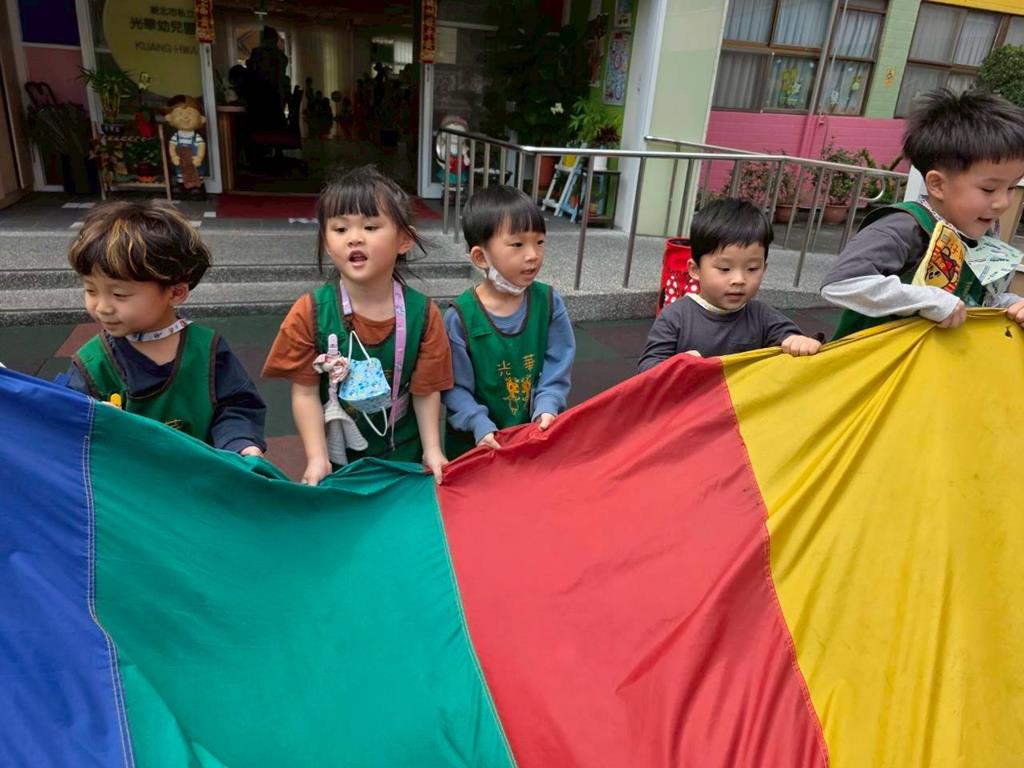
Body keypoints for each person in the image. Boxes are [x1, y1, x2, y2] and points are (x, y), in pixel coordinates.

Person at [262, 166, 452, 485]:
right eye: (340, 229)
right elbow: (305, 393)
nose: (354, 238)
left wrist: (432, 450)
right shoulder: (309, 312)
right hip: (339, 460)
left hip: (405, 454)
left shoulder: (423, 313)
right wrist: (317, 458)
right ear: (326, 242)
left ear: (404, 239)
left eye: (370, 226)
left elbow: (426, 390)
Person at [64, 201, 266, 456]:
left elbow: (237, 405)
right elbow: (63, 423)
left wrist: (241, 443)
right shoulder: (92, 365)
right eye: (91, 290)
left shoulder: (207, 350)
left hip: (198, 474)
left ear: (176, 292)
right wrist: (93, 421)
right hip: (130, 478)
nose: (102, 307)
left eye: (119, 294)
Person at [822, 89, 1024, 339]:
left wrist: (1011, 305)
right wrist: (927, 299)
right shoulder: (904, 227)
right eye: (989, 189)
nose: (1003, 203)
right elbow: (841, 284)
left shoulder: (983, 236)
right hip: (876, 358)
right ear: (938, 185)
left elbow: (979, 300)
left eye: (1012, 187)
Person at [443, 185, 575, 458]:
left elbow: (557, 366)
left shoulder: (549, 302)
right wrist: (478, 424)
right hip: (476, 445)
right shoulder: (460, 317)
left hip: (533, 437)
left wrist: (548, 406)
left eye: (540, 242)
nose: (533, 255)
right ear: (481, 257)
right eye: (517, 244)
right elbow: (454, 387)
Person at [638, 198, 821, 370]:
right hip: (691, 394)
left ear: (764, 269)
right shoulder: (676, 317)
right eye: (725, 269)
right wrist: (677, 366)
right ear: (695, 270)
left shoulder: (762, 316)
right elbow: (647, 368)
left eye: (752, 268)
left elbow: (793, 338)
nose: (739, 279)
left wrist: (799, 342)